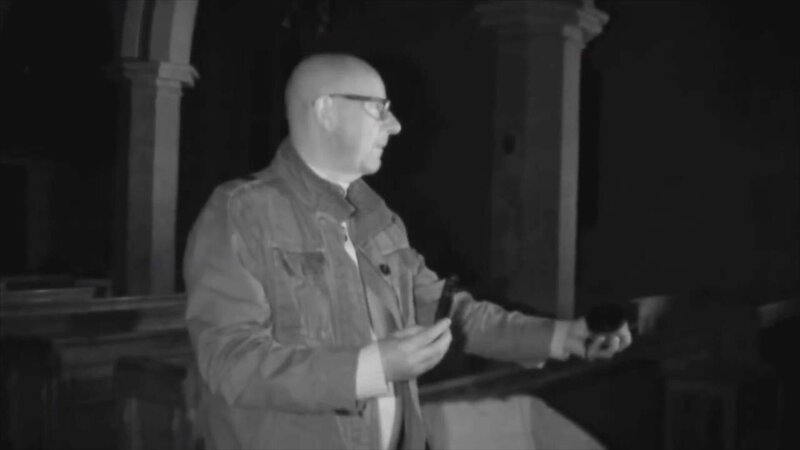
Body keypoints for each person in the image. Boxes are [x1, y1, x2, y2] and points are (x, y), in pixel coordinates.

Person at [183, 53, 632, 450]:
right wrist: (368, 367)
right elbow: (231, 362)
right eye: (379, 109)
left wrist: (561, 336)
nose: (395, 125)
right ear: (325, 110)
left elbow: (451, 313)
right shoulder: (240, 212)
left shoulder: (379, 221)